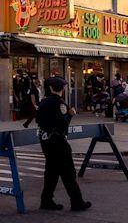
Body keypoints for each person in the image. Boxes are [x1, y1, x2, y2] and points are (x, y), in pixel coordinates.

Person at [36, 76, 91, 211]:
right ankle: (77, 202)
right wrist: (70, 114)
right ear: (63, 89)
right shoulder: (60, 104)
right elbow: (63, 125)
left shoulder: (43, 102)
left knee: (51, 171)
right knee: (68, 172)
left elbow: (38, 120)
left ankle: (46, 200)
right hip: (58, 142)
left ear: (50, 88)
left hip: (45, 141)